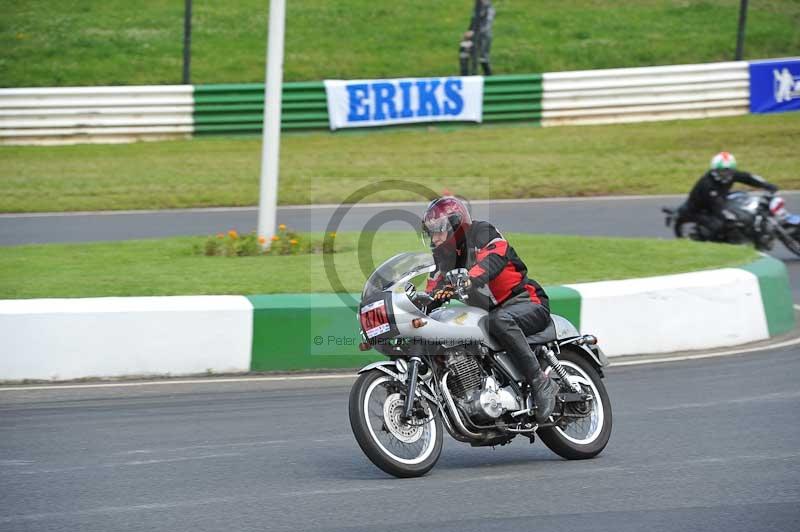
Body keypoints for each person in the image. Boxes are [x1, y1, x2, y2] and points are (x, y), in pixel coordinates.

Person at [421, 196, 559, 423]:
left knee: (498, 321)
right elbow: (433, 287)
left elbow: (494, 258)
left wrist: (469, 278)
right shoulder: (443, 258)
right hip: (490, 315)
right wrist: (416, 305)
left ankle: (540, 381)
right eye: (431, 232)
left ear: (455, 226)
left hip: (526, 301)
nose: (434, 238)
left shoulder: (482, 232)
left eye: (438, 231)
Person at [686, 152, 778, 240]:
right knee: (720, 226)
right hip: (701, 209)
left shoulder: (731, 175)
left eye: (729, 171)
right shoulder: (708, 185)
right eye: (723, 171)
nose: (726, 174)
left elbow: (747, 177)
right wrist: (729, 217)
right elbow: (717, 206)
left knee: (742, 198)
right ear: (715, 170)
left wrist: (766, 184)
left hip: (720, 197)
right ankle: (717, 242)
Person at [468, 0, 495, 76]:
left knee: (483, 57)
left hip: (483, 35)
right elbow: (474, 20)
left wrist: (477, 32)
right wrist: (470, 30)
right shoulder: (477, 6)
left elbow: (487, 23)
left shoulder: (489, 8)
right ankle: (473, 76)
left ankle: (489, 77)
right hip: (476, 34)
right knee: (473, 56)